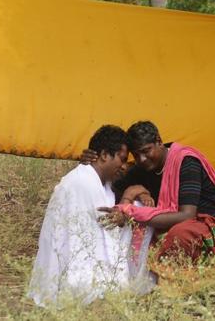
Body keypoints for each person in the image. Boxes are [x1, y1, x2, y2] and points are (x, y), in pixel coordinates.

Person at [28, 125, 154, 307]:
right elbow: (99, 239)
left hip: (80, 278)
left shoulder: (102, 184)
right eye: (122, 159)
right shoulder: (84, 183)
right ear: (104, 155)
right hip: (77, 280)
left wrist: (136, 195)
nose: (125, 166)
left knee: (139, 209)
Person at [91, 121, 215, 262]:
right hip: (191, 231)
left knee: (179, 234)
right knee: (152, 233)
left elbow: (187, 215)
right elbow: (112, 188)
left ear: (159, 142)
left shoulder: (187, 163)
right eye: (136, 155)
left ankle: (179, 284)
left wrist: (132, 213)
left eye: (146, 151)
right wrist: (93, 162)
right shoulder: (143, 168)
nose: (142, 159)